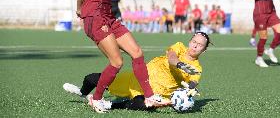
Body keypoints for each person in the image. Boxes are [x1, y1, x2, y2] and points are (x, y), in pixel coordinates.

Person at [74, 0, 168, 113]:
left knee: (137, 53)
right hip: (96, 18)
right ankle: (96, 98)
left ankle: (149, 97)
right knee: (116, 62)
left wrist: (78, 7)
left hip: (108, 17)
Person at [63, 32, 211, 111]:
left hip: (153, 92)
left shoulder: (197, 68)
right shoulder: (179, 47)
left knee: (142, 106)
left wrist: (191, 88)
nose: (195, 46)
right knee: (91, 79)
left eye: (200, 45)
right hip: (139, 78)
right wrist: (179, 64)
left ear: (204, 51)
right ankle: (83, 93)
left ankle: (109, 104)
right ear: (190, 41)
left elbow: (193, 81)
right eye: (194, 42)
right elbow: (171, 57)